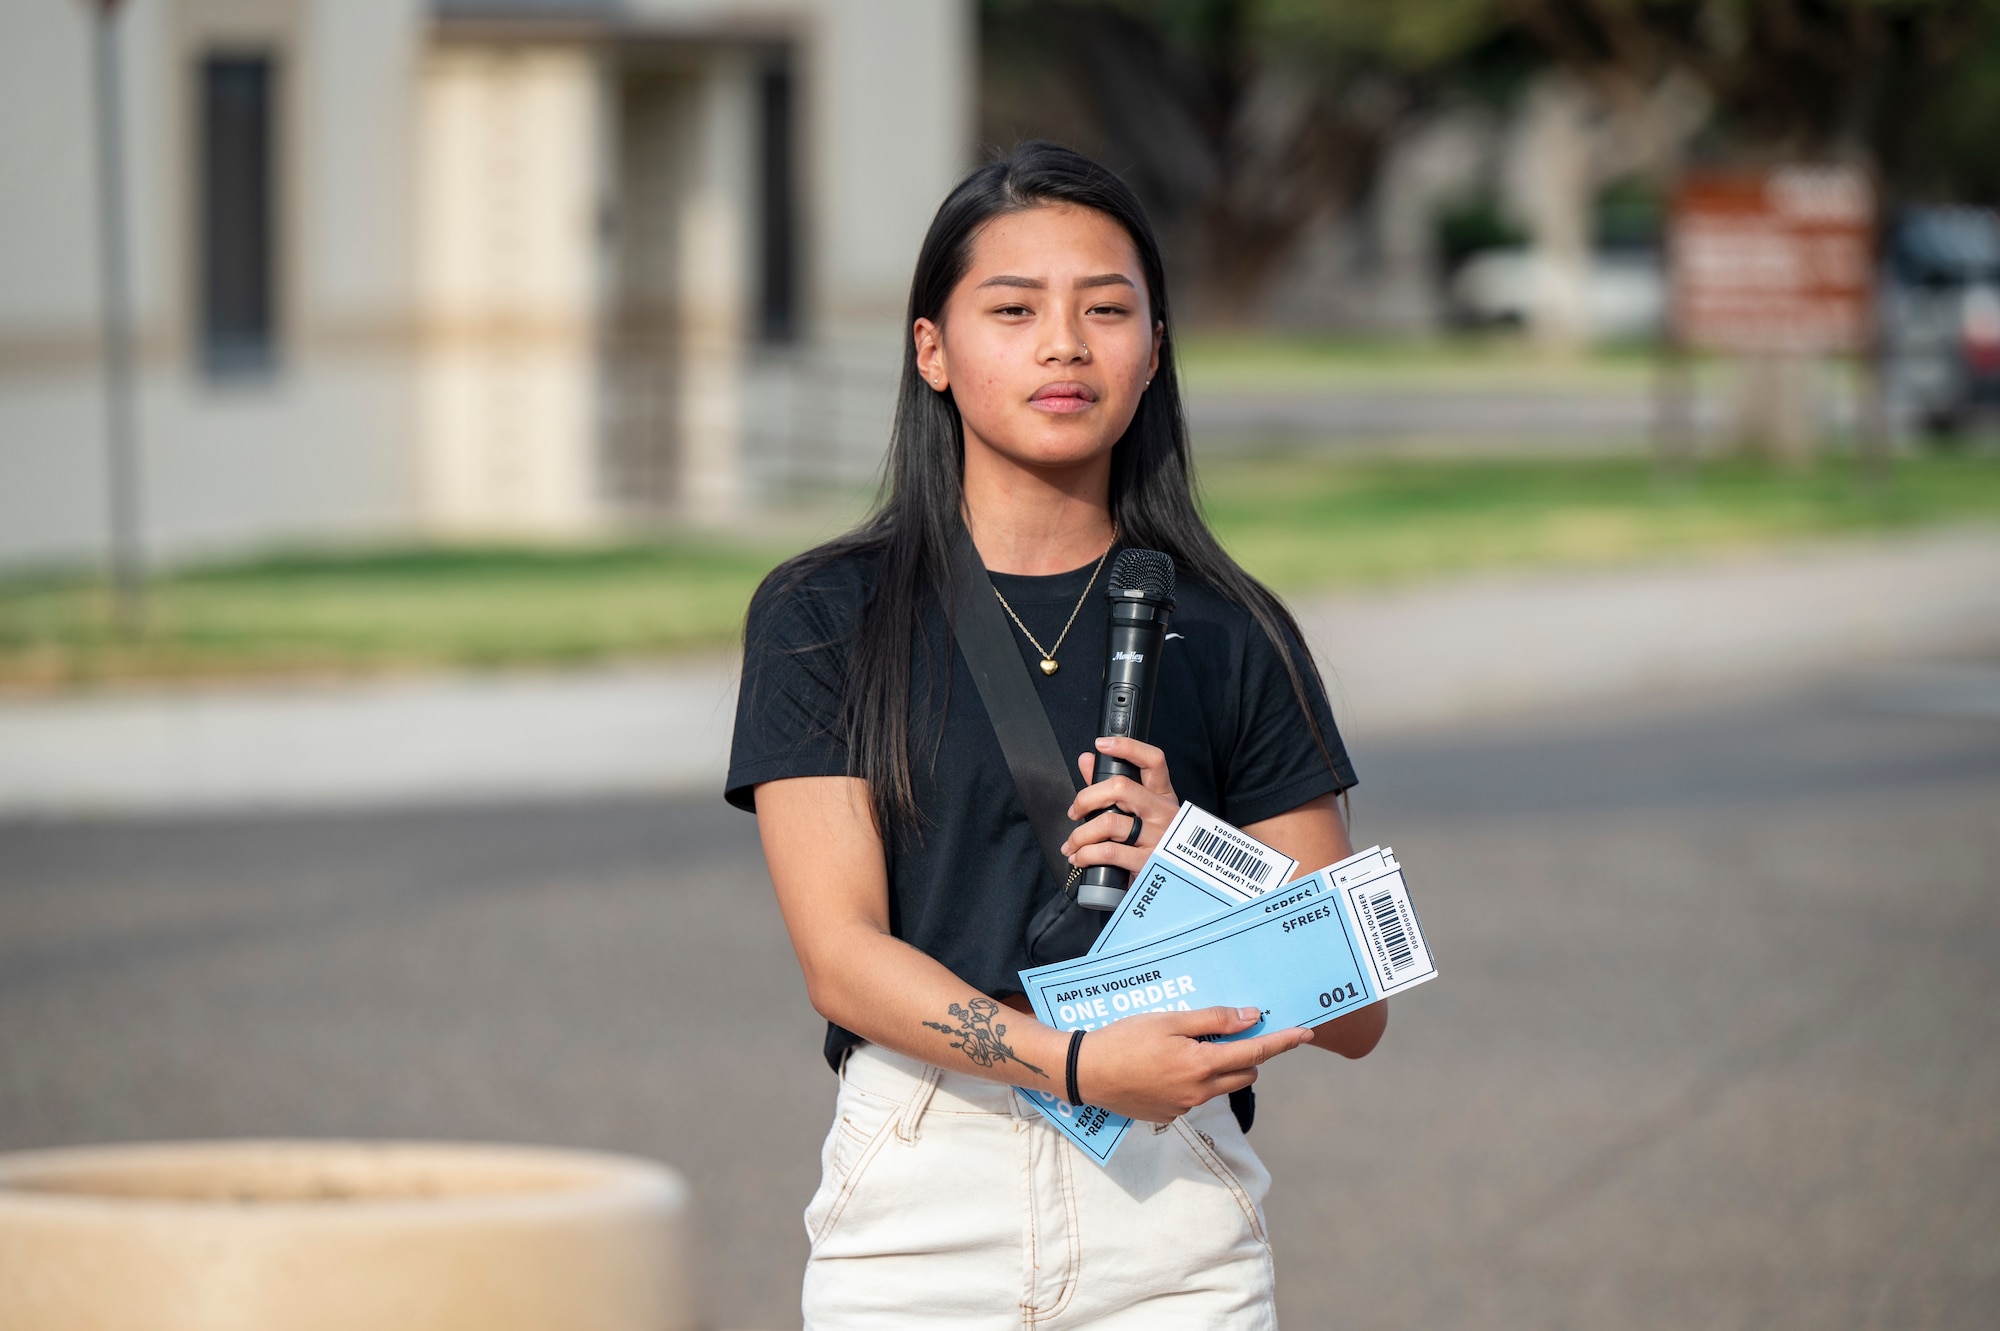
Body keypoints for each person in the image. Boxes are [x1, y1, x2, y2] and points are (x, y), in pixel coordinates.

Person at [726, 141, 1385, 1330]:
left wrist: (1193, 850)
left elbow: (1352, 1011)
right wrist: (1075, 1066)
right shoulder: (825, 615)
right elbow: (840, 955)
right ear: (931, 348)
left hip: (1171, 1211)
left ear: (1155, 346)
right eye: (1013, 307)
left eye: (1105, 308)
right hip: (925, 1194)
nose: (1063, 344)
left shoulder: (1233, 631)